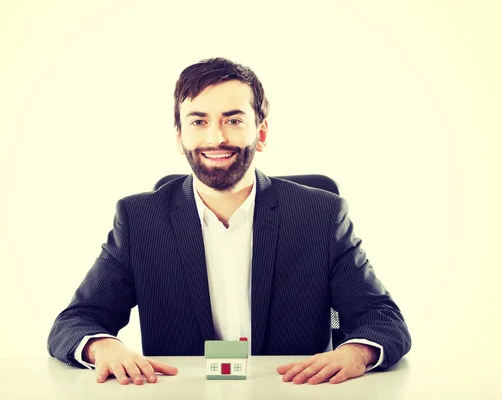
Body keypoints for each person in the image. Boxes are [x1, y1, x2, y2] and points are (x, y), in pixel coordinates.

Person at [47, 57, 411, 386]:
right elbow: (75, 322)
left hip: (291, 393)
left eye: (233, 120)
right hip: (182, 394)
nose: (216, 137)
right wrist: (103, 346)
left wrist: (354, 352)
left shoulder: (320, 215)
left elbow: (382, 319)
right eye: (199, 121)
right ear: (179, 136)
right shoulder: (140, 220)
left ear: (261, 133)